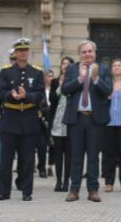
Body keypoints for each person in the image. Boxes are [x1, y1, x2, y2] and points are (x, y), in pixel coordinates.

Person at [0, 38, 46, 202]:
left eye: (25, 50)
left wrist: (27, 96)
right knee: (5, 161)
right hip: (10, 120)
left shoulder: (37, 73)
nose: (23, 53)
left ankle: (26, 192)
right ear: (15, 53)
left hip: (29, 121)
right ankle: (4, 192)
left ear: (28, 52)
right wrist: (12, 95)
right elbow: (0, 94)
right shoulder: (6, 72)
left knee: (28, 160)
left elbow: (40, 96)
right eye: (20, 50)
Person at [62, 39, 111, 203]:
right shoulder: (71, 68)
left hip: (94, 120)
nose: (87, 54)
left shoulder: (103, 69)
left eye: (90, 51)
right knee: (75, 157)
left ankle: (93, 190)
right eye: (84, 52)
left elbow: (108, 91)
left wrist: (96, 79)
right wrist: (81, 79)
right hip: (76, 119)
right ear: (80, 54)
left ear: (95, 53)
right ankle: (74, 190)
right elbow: (64, 90)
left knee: (93, 157)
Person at [100, 58, 121, 192]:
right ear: (111, 69)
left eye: (119, 65)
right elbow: (100, 102)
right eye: (114, 65)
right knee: (109, 154)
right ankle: (109, 181)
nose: (117, 67)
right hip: (109, 123)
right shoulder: (107, 84)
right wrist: (106, 98)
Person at [49, 56, 74, 192]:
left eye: (68, 64)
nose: (65, 66)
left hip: (70, 122)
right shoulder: (54, 82)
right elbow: (52, 99)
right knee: (58, 154)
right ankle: (58, 181)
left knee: (68, 154)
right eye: (63, 63)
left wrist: (67, 83)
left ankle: (66, 181)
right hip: (57, 121)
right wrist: (60, 85)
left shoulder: (75, 81)